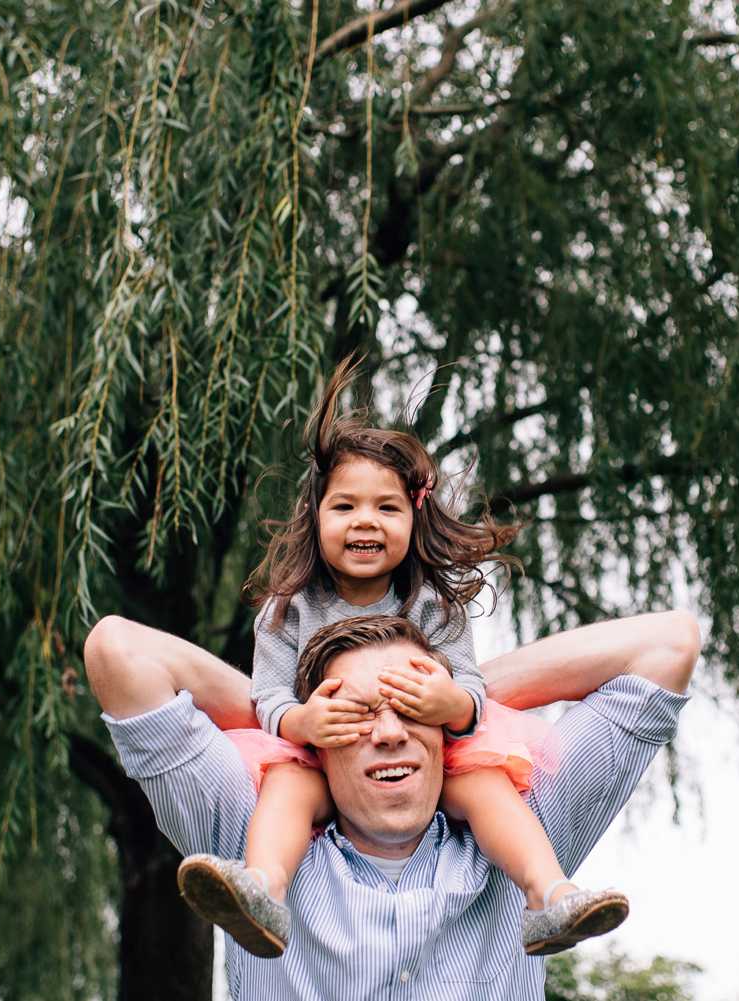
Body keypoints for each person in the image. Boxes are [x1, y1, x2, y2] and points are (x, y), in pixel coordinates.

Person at [153, 359, 618, 959]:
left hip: (429, 758)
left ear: (412, 518)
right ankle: (262, 890)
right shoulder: (286, 610)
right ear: (316, 516)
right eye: (345, 507)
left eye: (386, 509)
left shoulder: (433, 607)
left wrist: (452, 704)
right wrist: (301, 723)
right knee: (287, 786)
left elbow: (470, 687)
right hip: (324, 751)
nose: (365, 521)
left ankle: (548, 894)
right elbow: (266, 696)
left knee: (489, 787)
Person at [84, 609, 698, 1000]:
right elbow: (120, 651)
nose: (387, 732)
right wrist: (289, 718)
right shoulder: (250, 829)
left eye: (409, 710)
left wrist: (464, 702)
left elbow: (668, 644)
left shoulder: (528, 825)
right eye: (354, 715)